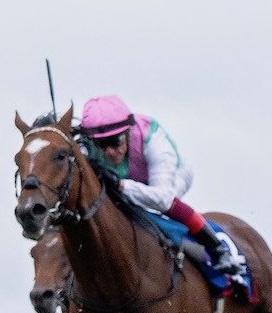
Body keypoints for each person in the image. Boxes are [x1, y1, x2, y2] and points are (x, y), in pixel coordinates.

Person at [79, 94, 238, 277]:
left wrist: (120, 185)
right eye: (101, 144)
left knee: (155, 204)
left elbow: (162, 198)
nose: (109, 152)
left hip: (172, 179)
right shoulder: (88, 144)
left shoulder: (153, 140)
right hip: (130, 181)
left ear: (128, 132)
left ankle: (217, 249)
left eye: (114, 142)